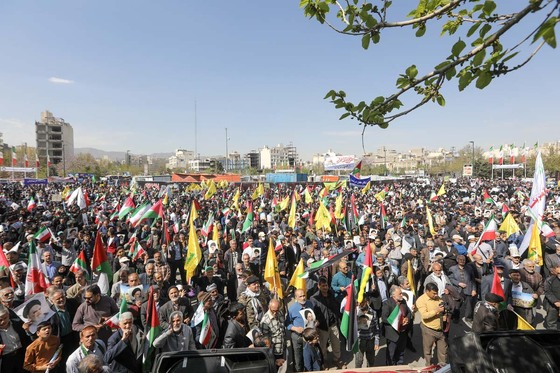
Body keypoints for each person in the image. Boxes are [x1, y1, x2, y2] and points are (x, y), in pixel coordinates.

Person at [416, 282, 448, 367]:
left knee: (443, 351)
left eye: (436, 293)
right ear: (427, 291)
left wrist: (444, 315)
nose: (436, 295)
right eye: (433, 293)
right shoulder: (421, 300)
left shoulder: (438, 298)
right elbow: (424, 315)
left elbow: (442, 309)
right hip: (428, 330)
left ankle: (442, 368)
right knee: (428, 351)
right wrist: (436, 311)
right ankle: (429, 366)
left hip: (440, 329)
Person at [285, 289, 315, 372]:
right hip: (297, 336)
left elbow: (313, 316)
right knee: (298, 358)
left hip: (309, 335)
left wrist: (315, 322)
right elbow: (287, 323)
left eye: (304, 295)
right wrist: (295, 328)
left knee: (310, 356)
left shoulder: (310, 304)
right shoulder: (292, 309)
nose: (303, 298)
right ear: (296, 298)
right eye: (300, 296)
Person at [382, 285, 411, 366]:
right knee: (391, 354)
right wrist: (397, 322)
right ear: (393, 295)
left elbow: (409, 312)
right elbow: (384, 318)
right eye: (400, 294)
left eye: (401, 293)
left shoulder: (403, 301)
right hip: (393, 334)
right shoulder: (387, 303)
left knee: (401, 352)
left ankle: (399, 366)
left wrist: (407, 319)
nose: (402, 295)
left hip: (403, 333)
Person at [0, 304, 30, 373]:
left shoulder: (18, 323)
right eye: (0, 320)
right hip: (6, 360)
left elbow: (27, 338)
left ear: (9, 315)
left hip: (21, 355)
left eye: (5, 318)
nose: (3, 321)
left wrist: (27, 331)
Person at [260, 299, 286, 370]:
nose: (275, 313)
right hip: (274, 352)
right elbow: (265, 340)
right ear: (269, 308)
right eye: (273, 311)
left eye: (277, 310)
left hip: (282, 347)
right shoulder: (265, 321)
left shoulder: (279, 313)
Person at [355, 298, 380, 368]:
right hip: (359, 340)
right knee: (358, 361)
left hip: (370, 340)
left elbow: (376, 328)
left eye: (362, 302)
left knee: (371, 361)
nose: (360, 304)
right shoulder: (355, 312)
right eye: (359, 302)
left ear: (367, 302)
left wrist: (376, 342)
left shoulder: (373, 312)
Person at [544, 263, 560, 330]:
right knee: (551, 322)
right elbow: (547, 291)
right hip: (552, 304)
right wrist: (555, 301)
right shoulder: (549, 280)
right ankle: (552, 338)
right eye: (558, 273)